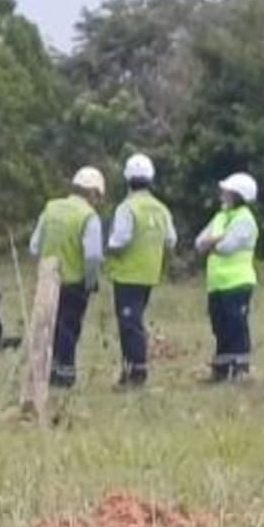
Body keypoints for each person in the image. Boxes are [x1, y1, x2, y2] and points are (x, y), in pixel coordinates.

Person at [105, 153, 177, 387]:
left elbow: (119, 241)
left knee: (129, 325)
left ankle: (135, 373)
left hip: (127, 275)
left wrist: (107, 249)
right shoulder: (160, 208)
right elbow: (171, 241)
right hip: (149, 274)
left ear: (127, 179)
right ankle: (134, 370)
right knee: (135, 321)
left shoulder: (127, 208)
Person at [29, 167, 105, 387]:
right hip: (74, 282)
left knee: (47, 327)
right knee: (68, 328)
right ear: (93, 193)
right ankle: (65, 373)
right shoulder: (89, 217)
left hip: (47, 279)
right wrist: (91, 282)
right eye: (98, 197)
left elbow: (34, 246)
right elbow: (93, 255)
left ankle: (44, 372)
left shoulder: (51, 208)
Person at [194, 173, 259, 382]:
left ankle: (238, 370)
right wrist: (216, 239)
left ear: (238, 195)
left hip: (237, 283)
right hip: (217, 284)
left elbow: (225, 247)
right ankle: (221, 370)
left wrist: (213, 241)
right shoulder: (221, 216)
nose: (222, 194)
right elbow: (199, 243)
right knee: (219, 326)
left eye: (227, 191)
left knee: (235, 326)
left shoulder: (245, 219)